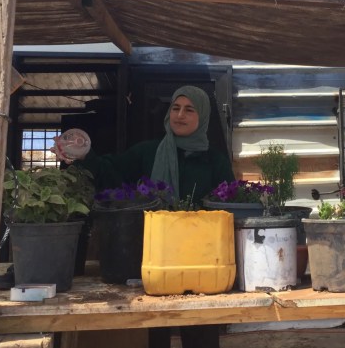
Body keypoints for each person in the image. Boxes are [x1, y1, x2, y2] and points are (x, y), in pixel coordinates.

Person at [53, 85, 234, 348]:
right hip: (153, 255)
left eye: (189, 109)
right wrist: (82, 154)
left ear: (202, 116)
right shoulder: (148, 151)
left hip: (200, 259)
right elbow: (109, 172)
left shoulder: (213, 161)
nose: (180, 115)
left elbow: (227, 205)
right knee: (151, 328)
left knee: (200, 328)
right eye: (175, 108)